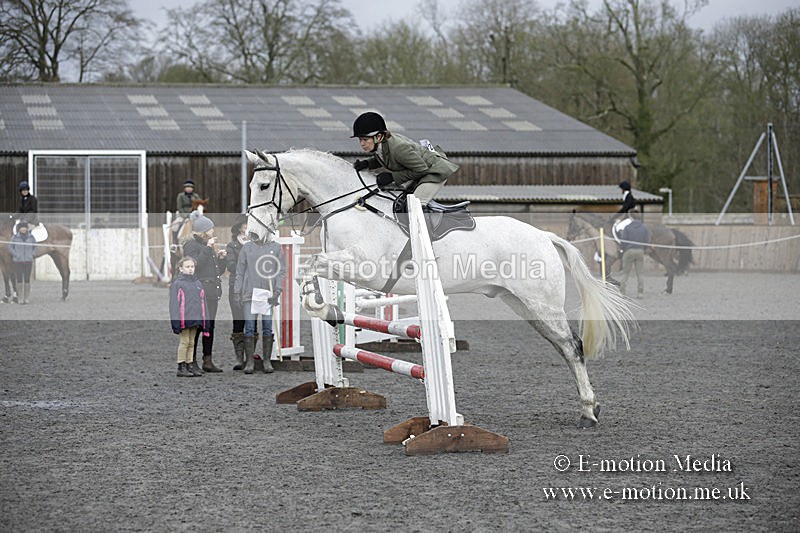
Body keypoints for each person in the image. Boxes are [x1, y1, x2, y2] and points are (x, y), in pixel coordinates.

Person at [350, 111, 458, 209]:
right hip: (421, 171)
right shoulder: (382, 145)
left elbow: (421, 169)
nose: (362, 144)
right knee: (399, 202)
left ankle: (427, 231)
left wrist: (392, 177)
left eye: (365, 139)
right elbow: (387, 158)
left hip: (435, 172)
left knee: (414, 206)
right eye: (360, 139)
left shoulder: (398, 148)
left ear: (378, 137)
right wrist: (367, 163)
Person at [234, 233, 286, 375]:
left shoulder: (275, 247)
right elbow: (240, 271)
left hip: (267, 293)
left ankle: (267, 361)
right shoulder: (247, 248)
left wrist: (277, 290)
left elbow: (281, 270)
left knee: (267, 328)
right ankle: (249, 361)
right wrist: (237, 291)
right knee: (249, 327)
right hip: (249, 292)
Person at [182, 211, 227, 373]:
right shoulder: (191, 246)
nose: (213, 231)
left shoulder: (208, 246)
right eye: (210, 229)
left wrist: (222, 260)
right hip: (199, 292)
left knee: (209, 327)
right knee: (197, 326)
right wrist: (208, 250)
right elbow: (194, 267)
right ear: (203, 230)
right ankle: (191, 360)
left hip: (212, 292)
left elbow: (216, 272)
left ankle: (207, 360)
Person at [169, 256, 207, 377]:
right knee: (184, 342)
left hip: (195, 318)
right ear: (181, 268)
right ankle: (181, 365)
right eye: (187, 267)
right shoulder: (178, 284)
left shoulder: (198, 283)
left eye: (192, 267)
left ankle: (190, 364)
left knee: (192, 342)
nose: (190, 269)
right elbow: (174, 304)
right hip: (184, 319)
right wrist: (176, 321)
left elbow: (203, 302)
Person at [226, 214, 249, 370]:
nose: (248, 227)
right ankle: (239, 358)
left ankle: (251, 357)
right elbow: (231, 266)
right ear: (240, 226)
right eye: (246, 224)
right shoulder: (232, 245)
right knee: (238, 321)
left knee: (251, 322)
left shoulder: (255, 243)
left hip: (252, 285)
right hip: (237, 286)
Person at [618, 209, 650, 299]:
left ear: (630, 217)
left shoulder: (627, 228)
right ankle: (640, 293)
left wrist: (622, 249)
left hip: (629, 251)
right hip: (640, 251)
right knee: (640, 273)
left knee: (625, 273)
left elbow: (623, 241)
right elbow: (647, 241)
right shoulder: (644, 227)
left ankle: (622, 292)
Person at [9, 222, 36, 304]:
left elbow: (35, 247)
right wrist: (16, 255)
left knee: (27, 279)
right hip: (18, 261)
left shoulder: (31, 237)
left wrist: (32, 254)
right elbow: (10, 247)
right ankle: (20, 298)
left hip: (28, 261)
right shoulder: (14, 238)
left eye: (25, 227)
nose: (24, 229)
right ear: (19, 229)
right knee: (19, 279)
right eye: (22, 228)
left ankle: (26, 298)